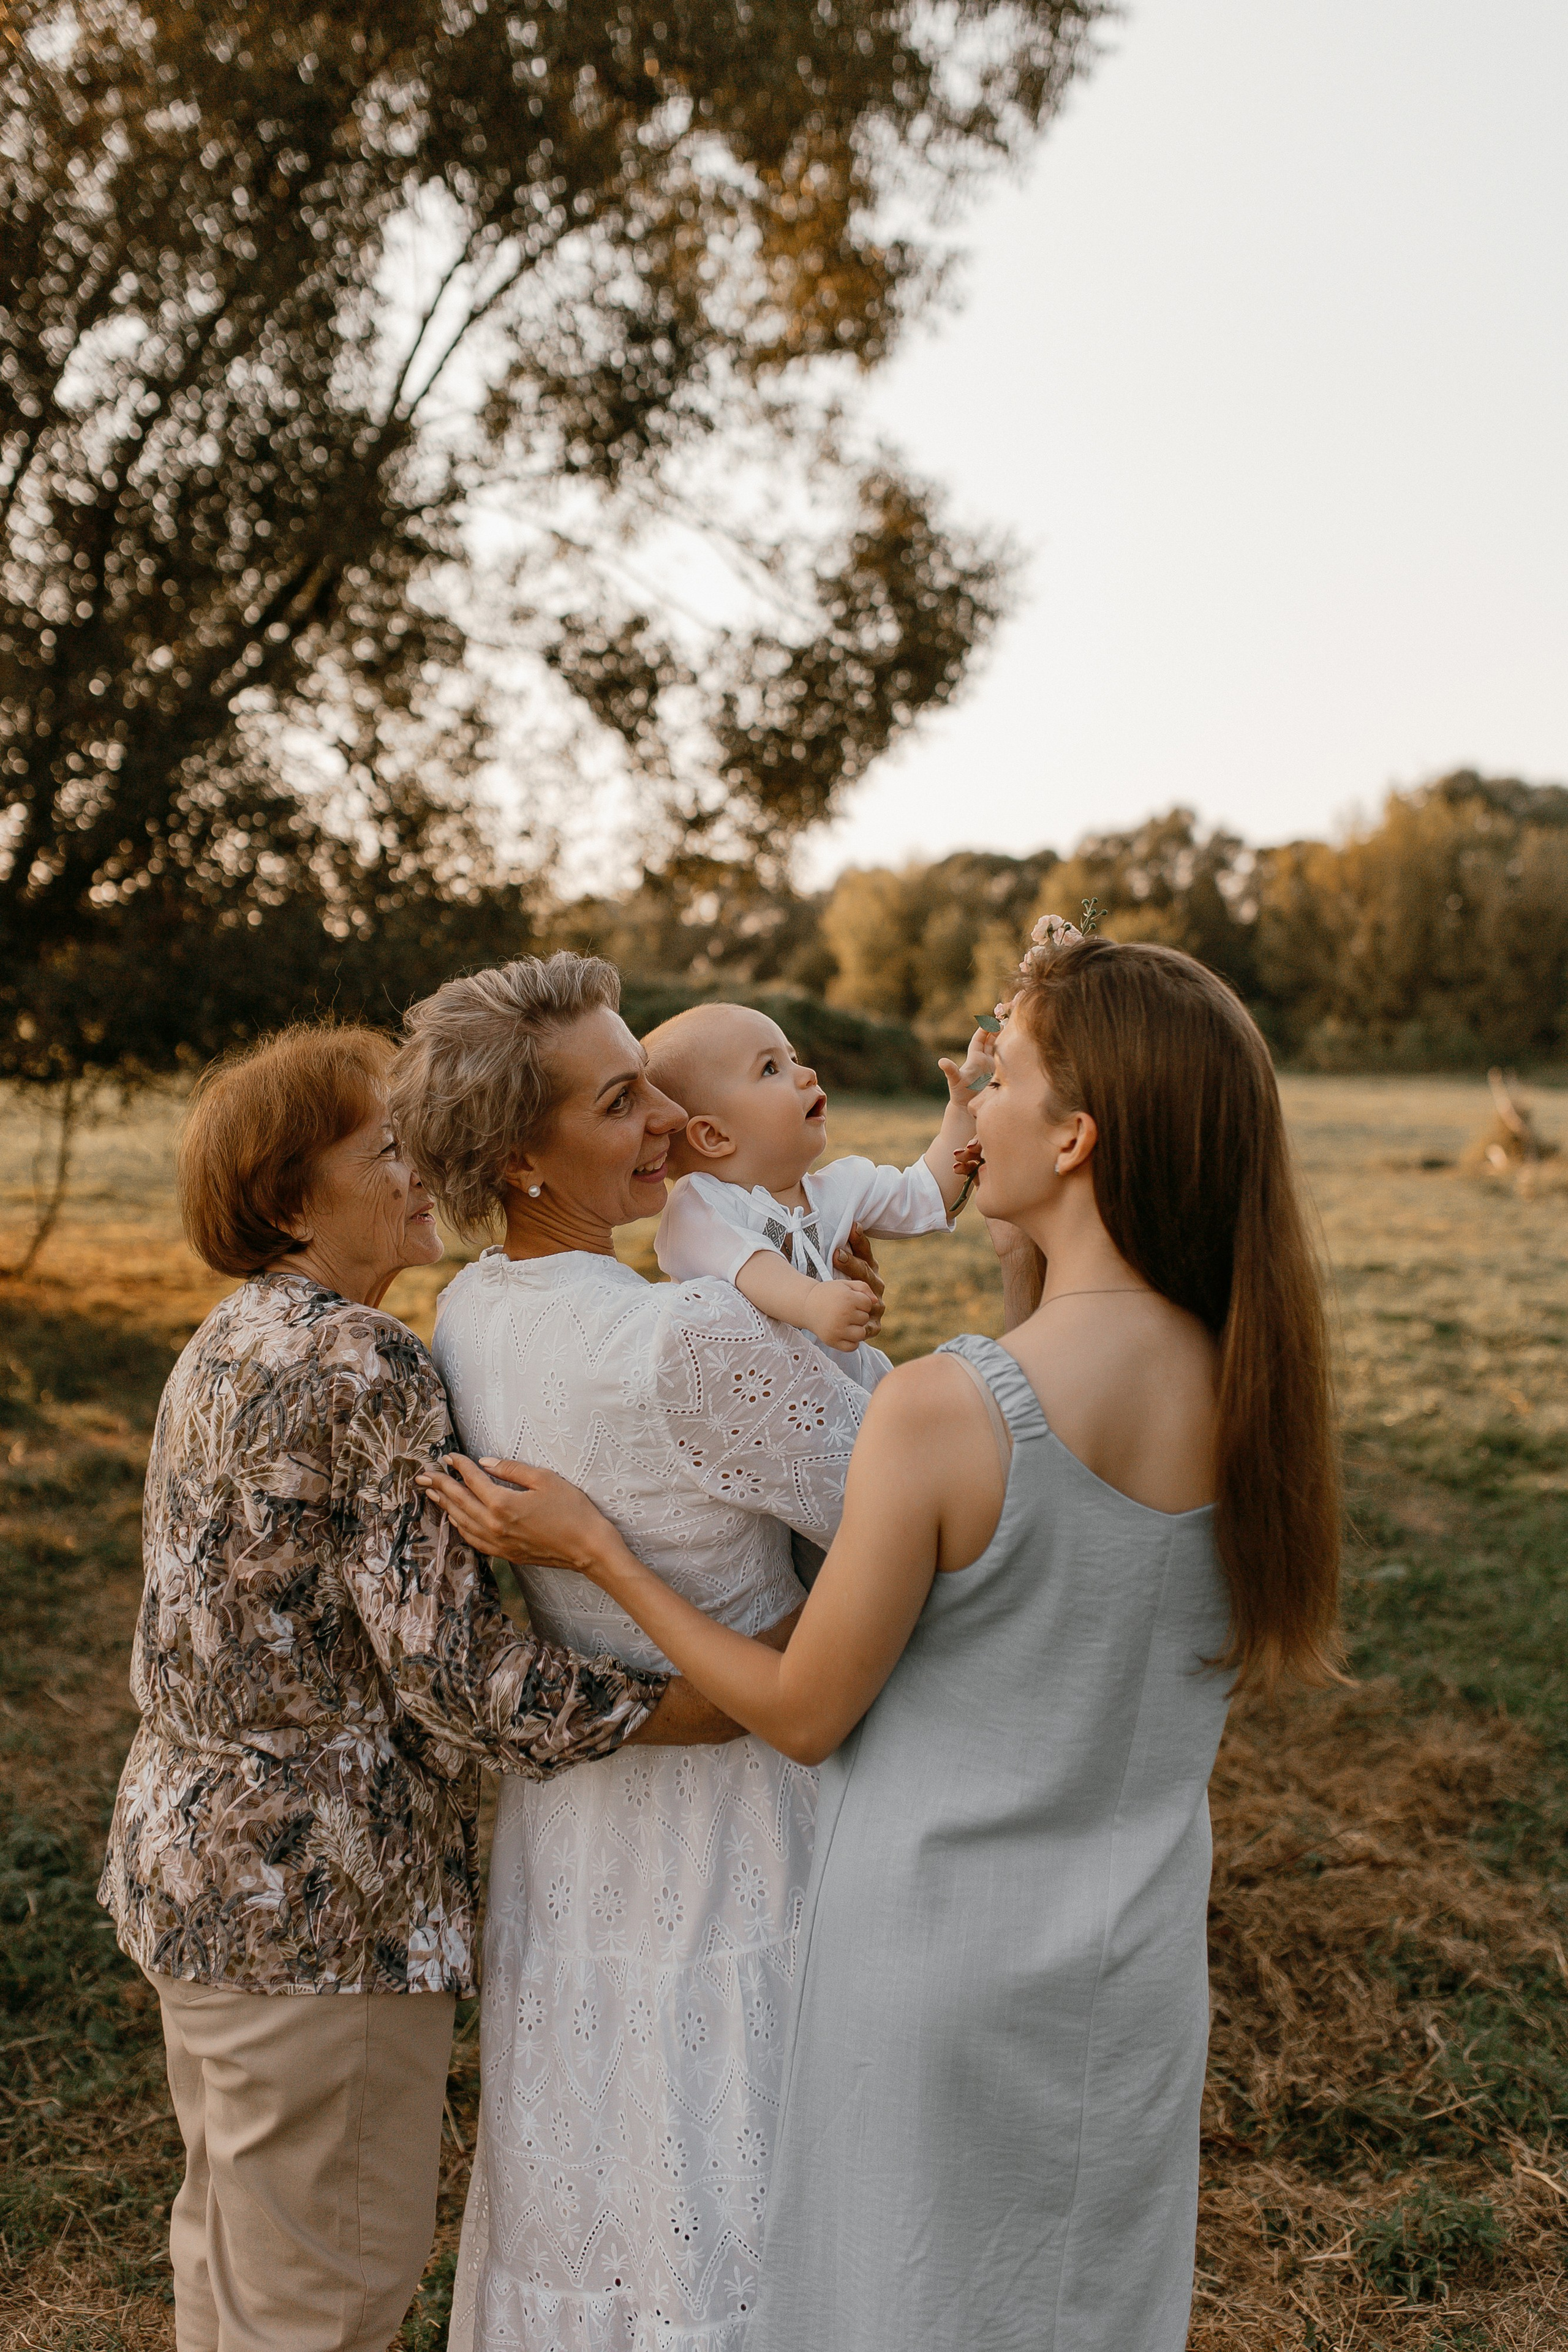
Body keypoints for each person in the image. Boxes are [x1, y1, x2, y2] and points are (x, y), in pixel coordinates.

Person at [420, 933, 1343, 2352]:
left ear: (1074, 1135)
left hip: (924, 1968)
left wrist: (601, 1551)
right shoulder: (1247, 1378)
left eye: (1001, 1080)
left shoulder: (943, 1410)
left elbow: (799, 1707)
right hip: (1138, 1966)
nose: (964, 1117)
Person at [99, 1022, 731, 2352]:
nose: (422, 1170)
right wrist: (706, 1699)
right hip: (319, 1909)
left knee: (229, 2270)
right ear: (288, 1200)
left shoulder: (229, 1339)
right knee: (321, 2307)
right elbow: (457, 1676)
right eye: (383, 1150)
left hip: (192, 1877)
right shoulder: (361, 1361)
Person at [388, 954, 878, 2352]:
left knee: (601, 2183)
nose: (669, 1118)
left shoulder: (472, 1308)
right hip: (740, 1827)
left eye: (653, 1080)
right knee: (742, 2188)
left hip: (575, 1825)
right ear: (517, 1158)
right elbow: (900, 1524)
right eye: (621, 1100)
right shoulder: (687, 1337)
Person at [644, 998, 992, 1390]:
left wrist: (963, 1111)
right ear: (715, 1136)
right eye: (771, 1068)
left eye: (794, 1058)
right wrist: (812, 1301)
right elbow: (746, 1262)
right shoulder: (700, 1204)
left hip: (844, 1395)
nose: (807, 1074)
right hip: (759, 1405)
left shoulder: (842, 1186)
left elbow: (926, 1195)